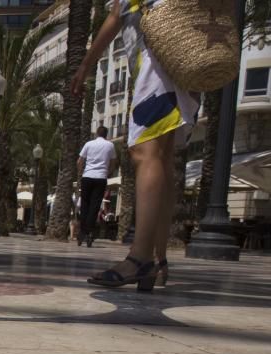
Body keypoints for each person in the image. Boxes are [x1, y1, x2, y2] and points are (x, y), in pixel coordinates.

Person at [76, 0, 198, 289]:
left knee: (145, 152)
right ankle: (158, 257)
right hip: (181, 56)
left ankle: (141, 259)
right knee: (162, 158)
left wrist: (85, 65)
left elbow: (117, 14)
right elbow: (117, 14)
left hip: (158, 59)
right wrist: (86, 64)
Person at [76, 126, 117, 247]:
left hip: (87, 177)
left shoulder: (89, 144)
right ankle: (89, 233)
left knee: (85, 204)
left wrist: (81, 173)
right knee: (94, 206)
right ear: (106, 134)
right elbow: (114, 163)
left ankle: (82, 232)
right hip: (101, 178)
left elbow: (79, 161)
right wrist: (108, 172)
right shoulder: (110, 145)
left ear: (96, 134)